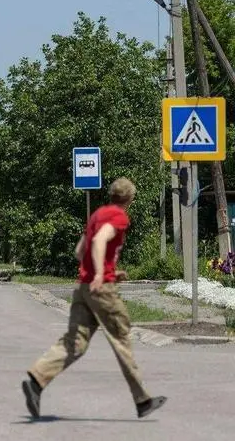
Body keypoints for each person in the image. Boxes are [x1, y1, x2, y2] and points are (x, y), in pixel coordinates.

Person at [21, 177, 167, 419]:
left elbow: (80, 251)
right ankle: (142, 401)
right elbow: (99, 241)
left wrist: (106, 271)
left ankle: (36, 381)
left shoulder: (97, 215)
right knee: (121, 337)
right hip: (101, 291)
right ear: (129, 199)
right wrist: (101, 274)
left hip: (84, 286)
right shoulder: (119, 216)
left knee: (75, 342)